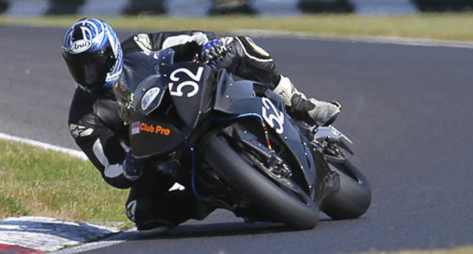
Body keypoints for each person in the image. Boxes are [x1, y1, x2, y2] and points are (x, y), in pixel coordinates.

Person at [62, 17, 341, 231]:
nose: (89, 73)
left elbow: (194, 37)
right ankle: (207, 200)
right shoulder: (83, 118)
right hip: (157, 149)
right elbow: (109, 168)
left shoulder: (141, 45)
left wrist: (210, 46)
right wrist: (129, 167)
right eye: (80, 67)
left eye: (94, 63)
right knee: (140, 212)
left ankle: (302, 105)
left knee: (238, 46)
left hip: (194, 97)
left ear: (111, 51)